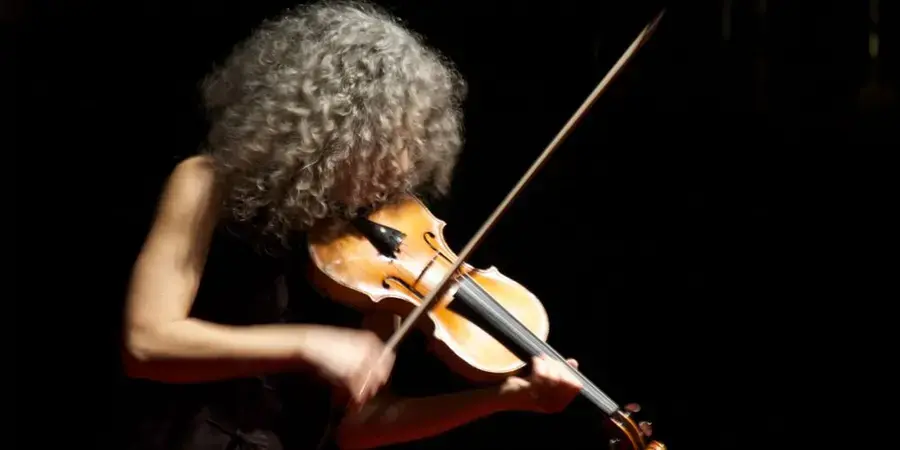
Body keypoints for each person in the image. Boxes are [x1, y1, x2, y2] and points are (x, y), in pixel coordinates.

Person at [121, 2, 583, 449]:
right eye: (386, 139)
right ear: (326, 130)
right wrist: (305, 343)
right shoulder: (206, 183)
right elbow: (147, 342)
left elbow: (360, 426)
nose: (403, 162)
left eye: (414, 139)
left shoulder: (375, 259)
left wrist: (502, 398)